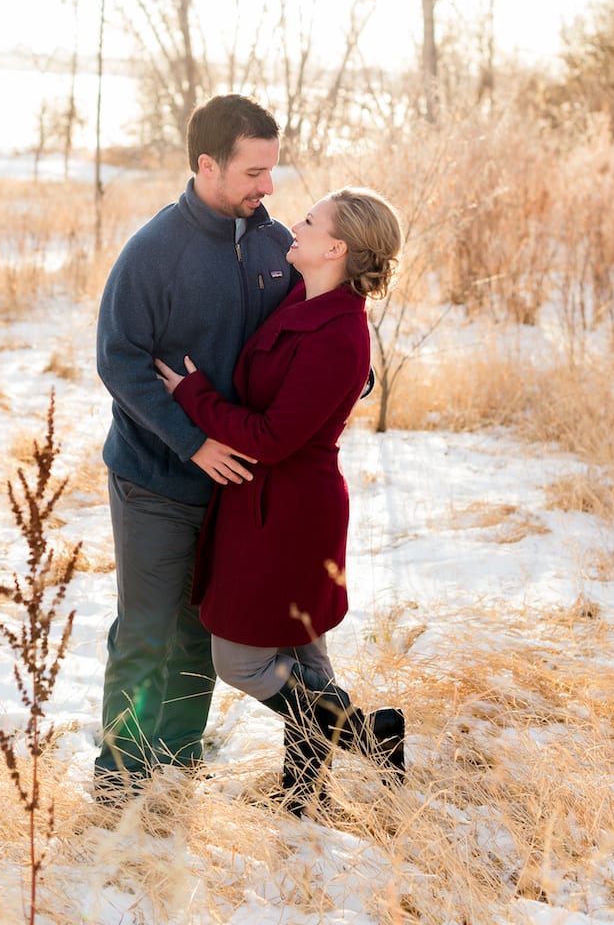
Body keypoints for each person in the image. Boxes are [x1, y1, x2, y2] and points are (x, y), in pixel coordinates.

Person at [155, 187, 406, 815]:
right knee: (304, 653)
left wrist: (193, 396)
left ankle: (370, 738)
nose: (296, 224)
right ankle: (304, 795)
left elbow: (273, 438)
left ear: (335, 248)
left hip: (291, 515)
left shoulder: (340, 334)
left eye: (310, 220)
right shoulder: (307, 294)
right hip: (268, 503)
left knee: (241, 659)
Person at [94, 93, 296, 799]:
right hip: (154, 477)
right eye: (252, 172)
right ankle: (120, 777)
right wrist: (192, 442)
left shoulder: (276, 247)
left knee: (202, 630)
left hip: (237, 486)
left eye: (270, 170)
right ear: (206, 165)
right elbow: (119, 361)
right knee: (147, 631)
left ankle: (176, 761)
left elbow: (318, 332)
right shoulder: (154, 252)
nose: (267, 186)